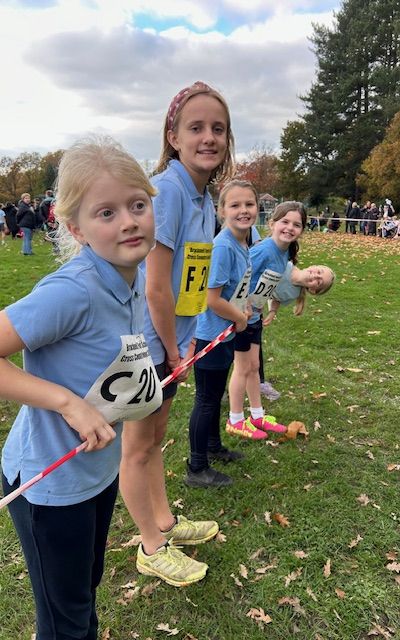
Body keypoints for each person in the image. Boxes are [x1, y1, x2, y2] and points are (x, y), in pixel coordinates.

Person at [0, 135, 159, 640]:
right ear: (75, 228)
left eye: (138, 205)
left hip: (97, 471)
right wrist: (66, 403)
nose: (129, 221)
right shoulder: (73, 290)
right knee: (66, 618)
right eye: (106, 213)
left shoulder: (131, 275)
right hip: (49, 484)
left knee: (83, 590)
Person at [119, 81, 235, 586]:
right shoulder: (167, 191)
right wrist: (171, 349)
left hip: (172, 339)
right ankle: (151, 545)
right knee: (137, 446)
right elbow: (155, 286)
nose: (209, 137)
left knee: (156, 437)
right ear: (173, 136)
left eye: (218, 129)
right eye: (196, 128)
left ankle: (165, 521)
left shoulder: (203, 196)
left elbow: (191, 280)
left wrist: (185, 341)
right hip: (145, 343)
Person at [185, 179, 256, 488]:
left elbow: (234, 290)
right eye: (235, 205)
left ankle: (213, 446)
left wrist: (245, 306)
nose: (243, 210)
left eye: (249, 204)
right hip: (210, 336)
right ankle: (197, 467)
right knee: (206, 399)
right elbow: (212, 299)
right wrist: (239, 317)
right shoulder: (224, 246)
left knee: (215, 397)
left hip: (225, 333)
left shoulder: (243, 242)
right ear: (222, 210)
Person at [226, 201, 306, 440]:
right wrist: (242, 306)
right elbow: (239, 273)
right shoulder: (264, 249)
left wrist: (266, 308)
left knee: (253, 367)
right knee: (242, 368)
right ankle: (235, 420)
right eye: (285, 222)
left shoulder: (285, 253)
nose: (290, 228)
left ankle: (257, 416)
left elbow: (269, 284)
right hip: (242, 317)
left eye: (296, 224)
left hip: (255, 318)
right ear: (272, 223)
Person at [263, 263, 335, 324]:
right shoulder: (286, 263)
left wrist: (272, 311)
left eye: (319, 282)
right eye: (319, 272)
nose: (316, 276)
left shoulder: (293, 294)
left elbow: (277, 300)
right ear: (312, 266)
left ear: (312, 290)